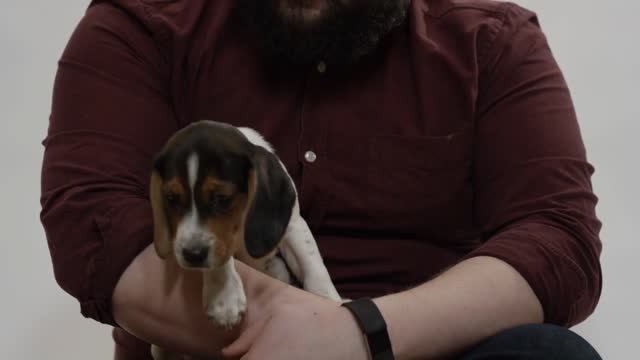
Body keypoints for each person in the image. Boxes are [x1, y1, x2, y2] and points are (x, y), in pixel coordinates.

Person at [40, 0, 603, 358]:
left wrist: (358, 334)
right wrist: (280, 332)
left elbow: (560, 240)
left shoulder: (494, 43)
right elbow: (92, 223)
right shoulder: (139, 26)